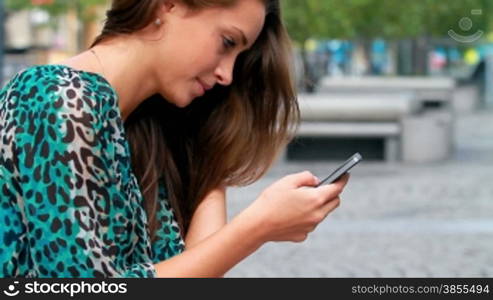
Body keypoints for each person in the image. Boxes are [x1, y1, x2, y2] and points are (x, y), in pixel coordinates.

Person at [0, 0, 349, 278]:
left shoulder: (143, 127)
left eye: (238, 57)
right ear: (168, 5)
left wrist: (213, 153)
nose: (228, 74)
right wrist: (258, 226)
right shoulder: (56, 97)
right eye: (227, 43)